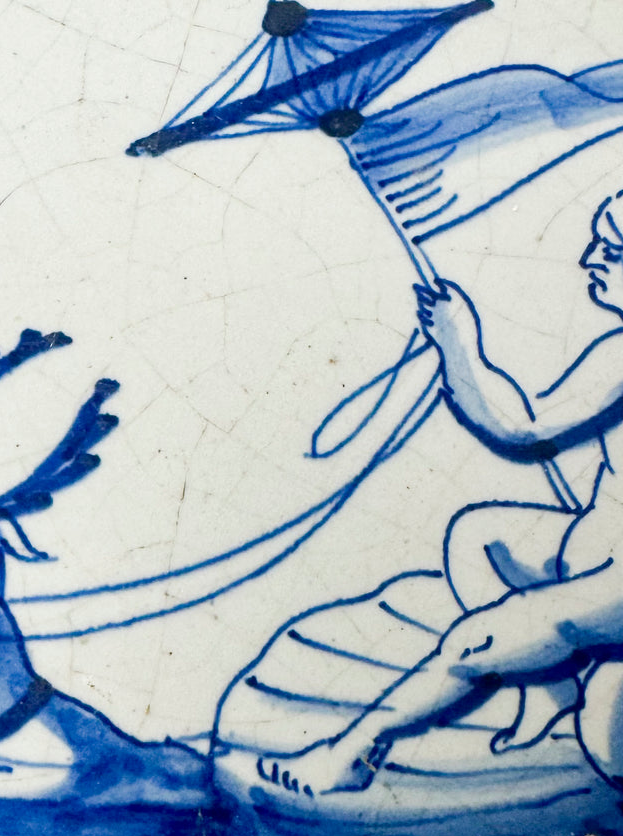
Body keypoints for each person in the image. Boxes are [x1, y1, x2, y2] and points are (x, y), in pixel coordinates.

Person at [262, 189, 623, 797]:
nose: (590, 258)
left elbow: (521, 429)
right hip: (592, 559)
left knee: (480, 644)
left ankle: (347, 754)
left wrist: (459, 344)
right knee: (481, 536)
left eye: (612, 250)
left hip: (610, 589)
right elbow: (530, 426)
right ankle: (546, 688)